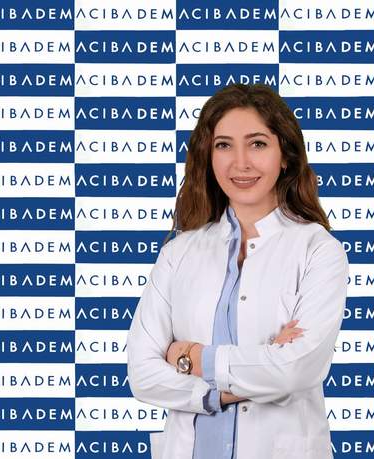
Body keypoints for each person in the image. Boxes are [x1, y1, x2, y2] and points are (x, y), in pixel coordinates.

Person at [126, 83, 349, 459]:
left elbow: (297, 370)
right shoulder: (179, 252)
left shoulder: (318, 249)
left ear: (285, 156)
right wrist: (235, 383)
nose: (240, 163)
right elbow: (143, 375)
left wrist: (193, 359)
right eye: (224, 145)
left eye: (258, 144)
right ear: (208, 156)